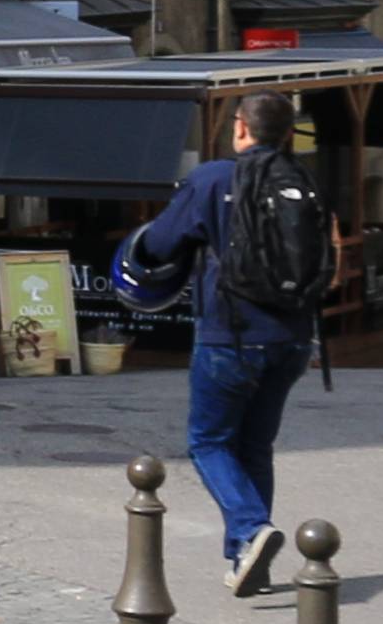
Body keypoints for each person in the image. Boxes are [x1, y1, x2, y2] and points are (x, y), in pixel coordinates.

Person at [122, 95, 332, 597]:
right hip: (293, 338)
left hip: (230, 334)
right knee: (255, 446)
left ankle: (250, 530)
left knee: (209, 442)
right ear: (288, 134)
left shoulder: (214, 179)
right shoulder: (303, 181)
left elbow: (160, 244)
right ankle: (247, 557)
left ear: (240, 129)